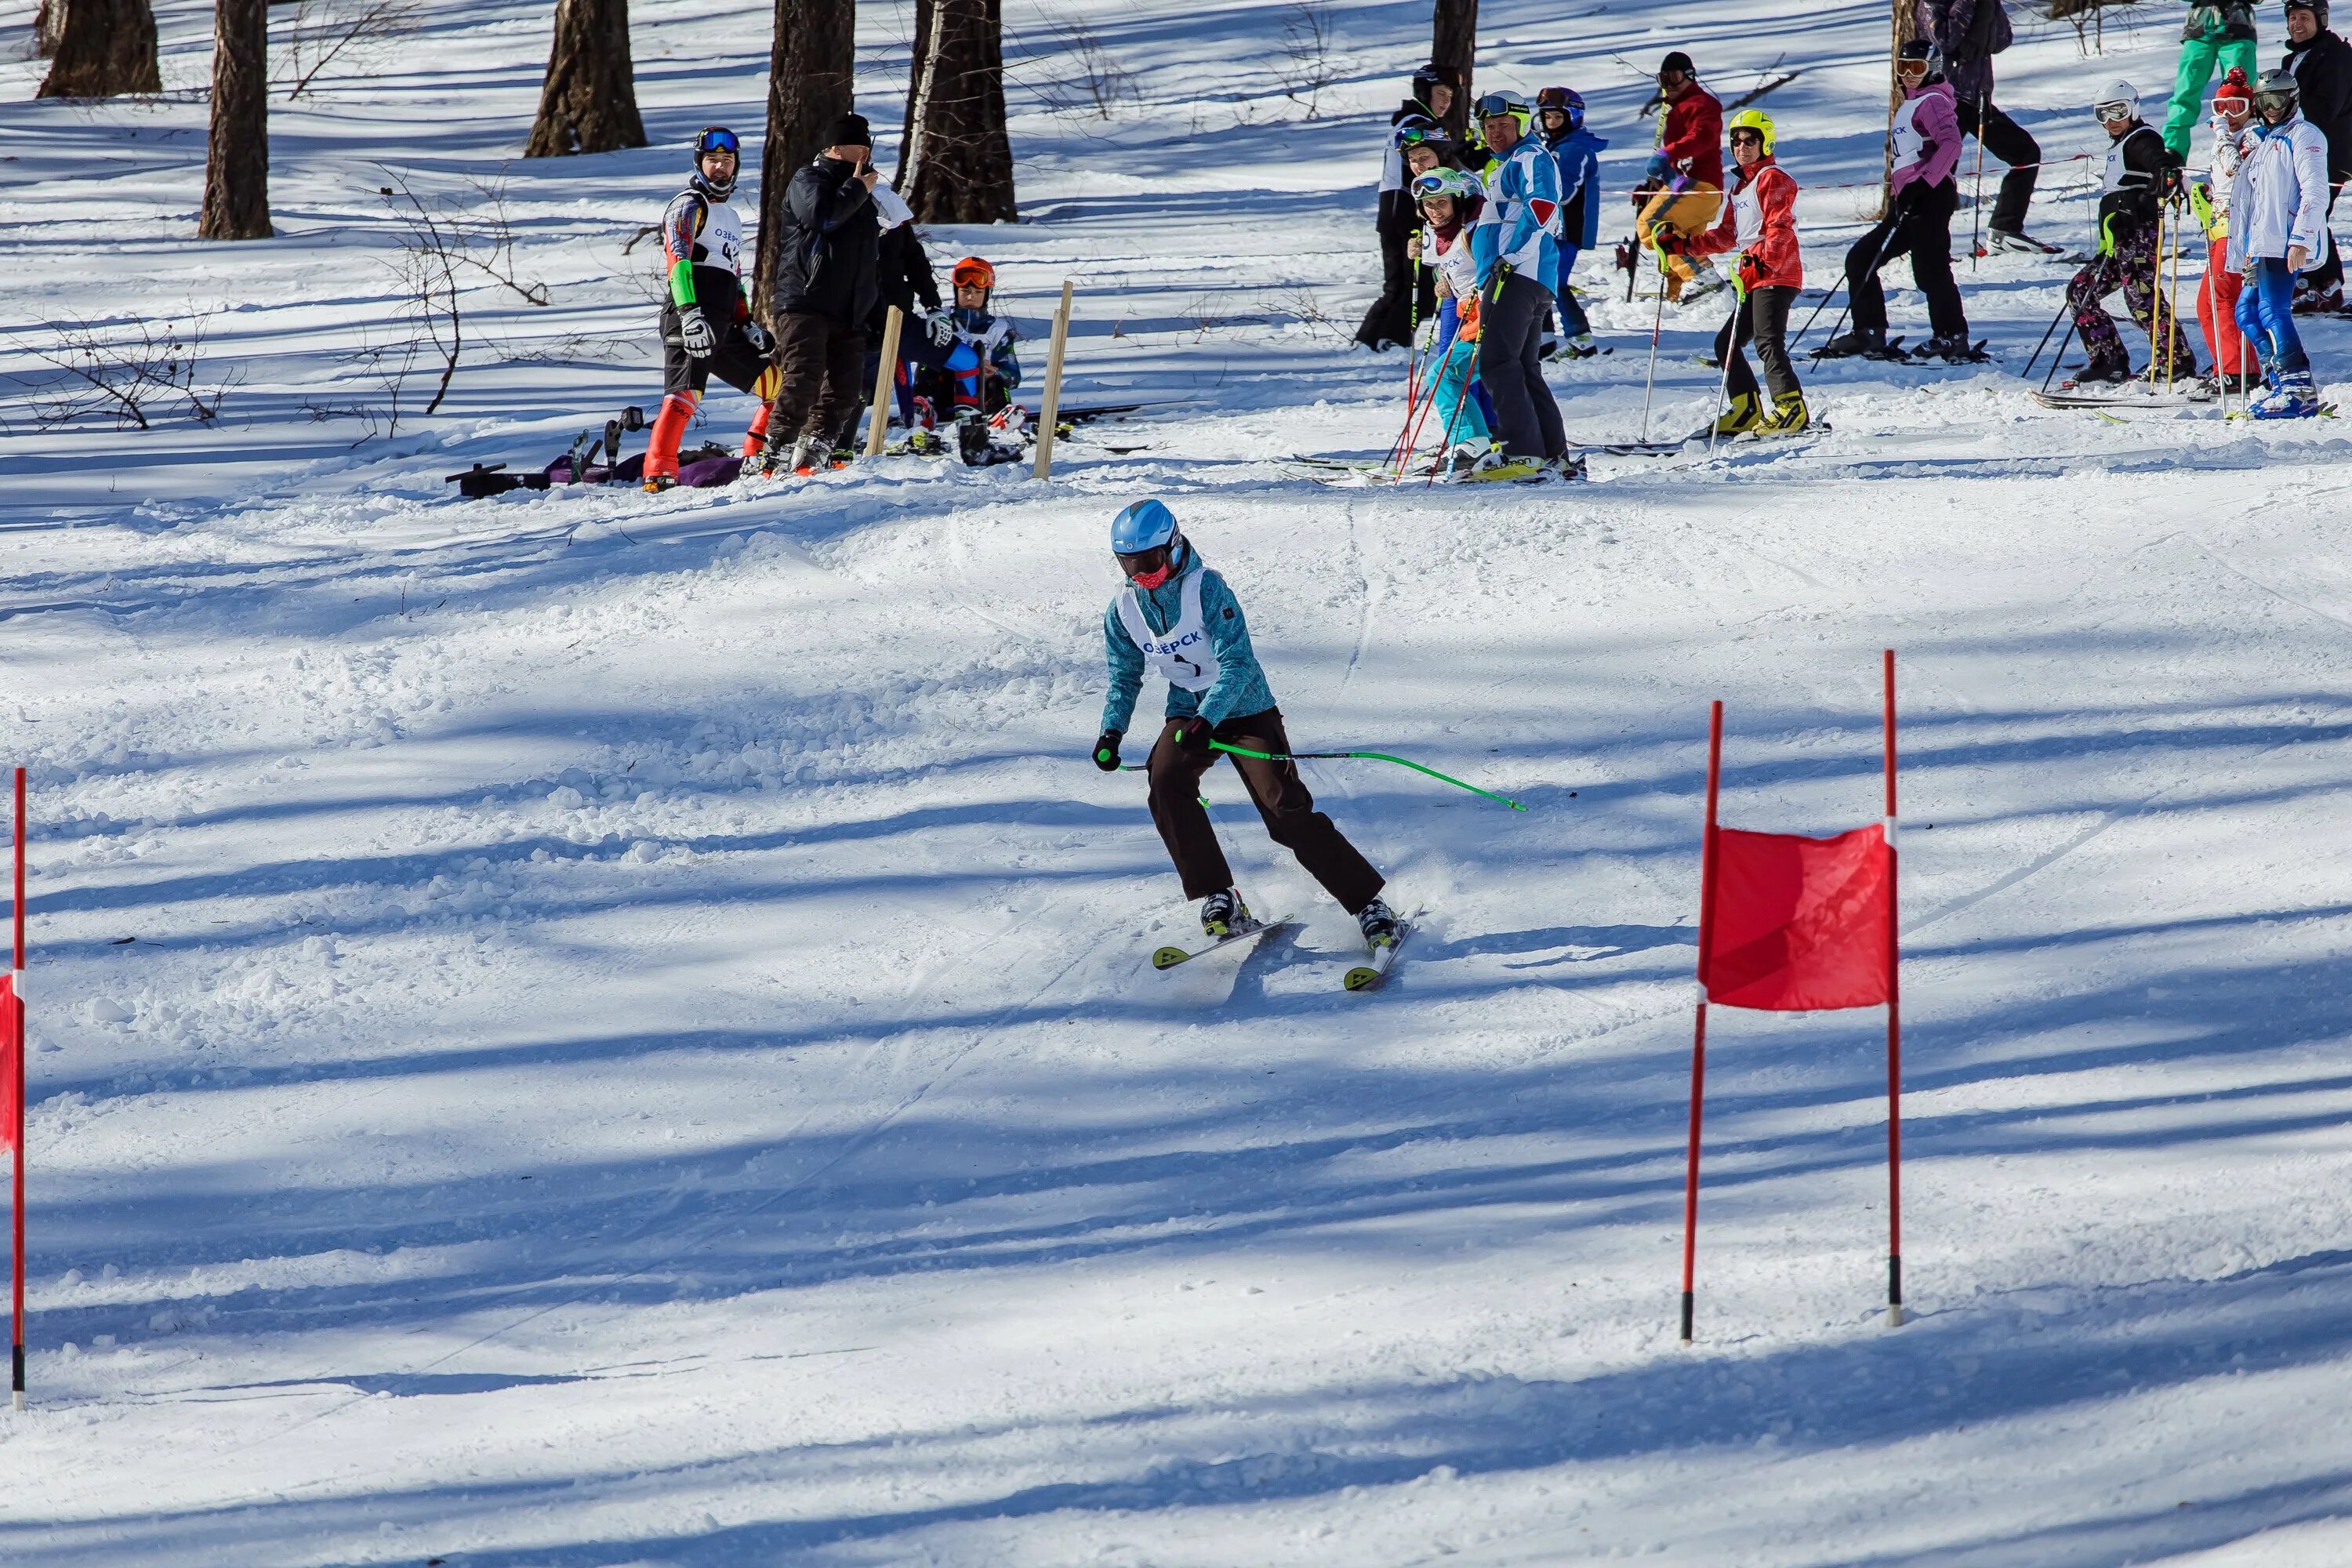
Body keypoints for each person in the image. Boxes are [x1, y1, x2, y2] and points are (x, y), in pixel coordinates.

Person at [1090, 499, 1399, 951]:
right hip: (1188, 711)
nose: (1141, 574)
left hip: (1247, 707)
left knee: (1284, 811)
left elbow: (1237, 663)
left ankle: (1369, 904)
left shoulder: (1207, 588)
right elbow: (1124, 675)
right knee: (1166, 780)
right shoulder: (1123, 609)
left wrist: (1208, 718)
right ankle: (1220, 896)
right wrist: (1111, 732)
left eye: (1150, 561)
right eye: (1129, 563)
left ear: (1173, 546)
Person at [1820, 40, 1977, 362]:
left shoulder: (1933, 102)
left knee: (1930, 270)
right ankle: (1869, 333)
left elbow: (1951, 144)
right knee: (1862, 259)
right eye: (1902, 68)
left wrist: (1926, 183)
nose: (1908, 75)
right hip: (1910, 201)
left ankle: (1952, 337)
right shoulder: (1913, 102)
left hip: (1929, 198)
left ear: (1932, 69)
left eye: (1916, 68)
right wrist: (1904, 194)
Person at [643, 128, 778, 492]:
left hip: (724, 323)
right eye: (713, 160)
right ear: (700, 163)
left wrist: (747, 323)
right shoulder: (688, 204)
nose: (720, 167)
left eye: (727, 161)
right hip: (690, 316)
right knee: (685, 394)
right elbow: (679, 262)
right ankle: (659, 474)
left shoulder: (731, 217)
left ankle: (758, 459)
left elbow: (733, 275)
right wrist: (689, 313)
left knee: (777, 386)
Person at [758, 113, 884, 478]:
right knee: (804, 377)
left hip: (849, 310)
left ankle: (814, 452)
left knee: (846, 389)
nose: (864, 154)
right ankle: (774, 452)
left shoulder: (866, 196)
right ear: (833, 147)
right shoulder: (808, 178)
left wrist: (871, 309)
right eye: (855, 147)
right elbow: (821, 217)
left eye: (866, 147)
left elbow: (872, 257)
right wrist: (858, 190)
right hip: (805, 301)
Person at [1676, 109, 1809, 435]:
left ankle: (1791, 407)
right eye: (1736, 141)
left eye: (1751, 141)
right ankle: (1746, 407)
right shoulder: (1740, 187)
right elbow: (1727, 235)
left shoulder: (1772, 178)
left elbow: (1780, 225)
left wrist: (1764, 260)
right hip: (1754, 273)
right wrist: (1682, 245)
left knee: (1768, 341)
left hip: (1777, 273)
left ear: (1766, 143)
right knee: (1727, 343)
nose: (1742, 147)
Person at [2063, 81, 2199, 384]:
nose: (2112, 121)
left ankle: (2176, 361)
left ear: (2133, 108)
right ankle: (2108, 360)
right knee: (2081, 292)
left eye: (2118, 111)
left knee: (2141, 299)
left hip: (2138, 236)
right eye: (2103, 115)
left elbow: (2161, 161)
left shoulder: (2141, 137)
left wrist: (2166, 175)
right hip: (2117, 241)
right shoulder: (2121, 142)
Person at [1470, 91, 1576, 479]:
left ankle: (1522, 453)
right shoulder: (1504, 163)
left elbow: (1543, 208)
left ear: (1522, 123)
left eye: (1503, 125)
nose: (1495, 133)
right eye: (1489, 127)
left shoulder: (1529, 157)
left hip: (1518, 275)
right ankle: (1551, 453)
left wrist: (1509, 257)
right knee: (1523, 366)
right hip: (1522, 275)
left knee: (1497, 362)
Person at [2233, 67, 2332, 413]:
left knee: (2272, 310)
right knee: (2246, 313)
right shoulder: (2262, 140)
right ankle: (2278, 382)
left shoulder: (2304, 135)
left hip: (2285, 241)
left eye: (2278, 100)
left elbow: (2316, 191)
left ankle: (2298, 391)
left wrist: (2300, 238)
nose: (2271, 108)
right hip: (2260, 244)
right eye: (2263, 101)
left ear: (2293, 99)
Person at [1919, 0, 2053, 252]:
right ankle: (1928, 243)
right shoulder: (1933, 4)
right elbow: (1944, 40)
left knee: (2025, 153)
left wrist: (1988, 10)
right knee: (1941, 173)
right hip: (1945, 100)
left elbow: (2002, 40)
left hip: (1977, 98)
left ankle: (2005, 229)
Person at [1355, 66, 1460, 350]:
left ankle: (1368, 339)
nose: (1445, 102)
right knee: (1418, 280)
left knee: (1397, 284)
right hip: (1407, 207)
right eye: (1440, 94)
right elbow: (1428, 170)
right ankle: (1393, 338)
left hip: (1392, 207)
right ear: (1424, 93)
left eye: (1449, 97)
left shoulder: (1407, 120)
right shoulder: (1418, 125)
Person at [1405, 167, 1496, 474]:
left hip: (1492, 322)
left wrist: (1484, 301)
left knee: (1444, 373)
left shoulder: (1472, 231)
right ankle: (1473, 444)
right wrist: (1441, 282)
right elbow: (1451, 271)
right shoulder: (1440, 236)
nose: (1435, 211)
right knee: (1444, 373)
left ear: (1458, 201)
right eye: (1429, 205)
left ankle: (1474, 444)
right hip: (1470, 322)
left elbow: (1494, 270)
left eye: (1442, 202)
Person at [907, 256, 1025, 463]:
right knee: (931, 365)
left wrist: (996, 372)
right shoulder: (941, 319)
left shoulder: (998, 329)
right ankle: (925, 411)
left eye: (978, 292)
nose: (971, 297)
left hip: (979, 394)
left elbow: (1013, 376)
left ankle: (997, 418)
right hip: (944, 389)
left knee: (995, 382)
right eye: (965, 292)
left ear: (987, 293)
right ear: (956, 291)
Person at [1634, 52, 1726, 303]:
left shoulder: (1702, 104)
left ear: (1690, 77)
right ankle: (1683, 297)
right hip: (1691, 187)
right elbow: (1677, 159)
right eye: (1663, 79)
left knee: (1651, 224)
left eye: (1674, 78)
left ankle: (1701, 277)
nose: (1669, 85)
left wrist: (1667, 153)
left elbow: (1702, 138)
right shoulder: (1675, 110)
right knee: (1682, 242)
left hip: (1698, 187)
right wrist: (1657, 182)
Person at [2191, 68, 2262, 391]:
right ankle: (2229, 362)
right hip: (2220, 228)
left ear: (2250, 109)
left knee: (2223, 299)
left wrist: (2221, 135)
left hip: (2239, 229)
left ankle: (2237, 371)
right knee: (2208, 303)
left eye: (2237, 107)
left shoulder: (2254, 136)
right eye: (2221, 108)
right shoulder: (2230, 139)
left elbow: (2236, 167)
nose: (2228, 115)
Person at [2280, 0, 2352, 310]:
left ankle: (2324, 284)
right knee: (2304, 214)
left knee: (2312, 213)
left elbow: (2325, 109)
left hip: (2330, 153)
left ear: (2321, 20)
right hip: (2300, 152)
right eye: (2292, 17)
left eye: (2304, 18)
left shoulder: (2334, 55)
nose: (2296, 24)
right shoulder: (2292, 58)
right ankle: (2316, 282)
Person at [1534, 86, 1606, 357]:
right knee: (1542, 282)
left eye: (1557, 117)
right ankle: (1543, 340)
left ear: (1573, 117)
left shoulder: (1576, 149)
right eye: (1547, 118)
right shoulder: (1557, 148)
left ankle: (1581, 341)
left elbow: (1563, 192)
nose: (1551, 124)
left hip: (1567, 230)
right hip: (1553, 229)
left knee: (1553, 283)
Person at [866, 209, 942, 441]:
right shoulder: (843, 211)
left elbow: (917, 264)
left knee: (901, 357)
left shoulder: (895, 217)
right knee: (859, 385)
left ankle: (910, 418)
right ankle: (840, 435)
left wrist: (933, 306)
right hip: (859, 320)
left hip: (897, 314)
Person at [2163, 1, 2261, 157]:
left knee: (2241, 94)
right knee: (2185, 92)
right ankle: (2173, 152)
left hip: (2238, 26)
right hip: (2199, 27)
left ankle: (2248, 145)